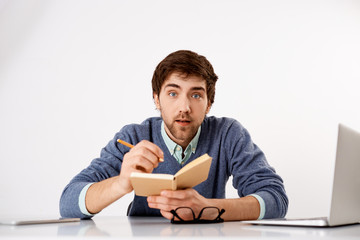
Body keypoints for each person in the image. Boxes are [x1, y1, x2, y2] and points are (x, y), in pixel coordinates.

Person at [60, 50, 288, 221]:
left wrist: (207, 208)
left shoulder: (228, 134)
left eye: (196, 95)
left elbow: (276, 199)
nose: (184, 107)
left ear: (209, 103)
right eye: (172, 93)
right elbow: (68, 203)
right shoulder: (135, 136)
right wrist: (121, 183)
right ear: (157, 99)